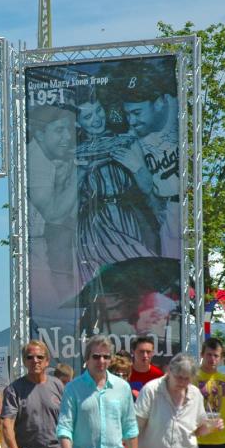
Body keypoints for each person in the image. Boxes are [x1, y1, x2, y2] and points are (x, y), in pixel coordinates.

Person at [73, 89, 161, 285]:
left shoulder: (127, 141)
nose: (97, 119)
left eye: (99, 110)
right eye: (88, 116)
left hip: (127, 217)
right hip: (94, 222)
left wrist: (136, 167)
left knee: (137, 273)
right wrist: (81, 172)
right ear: (78, 123)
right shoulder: (74, 153)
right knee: (115, 277)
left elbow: (148, 187)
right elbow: (66, 205)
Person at [114, 60, 181, 259]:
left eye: (137, 112)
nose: (132, 121)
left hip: (200, 205)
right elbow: (147, 189)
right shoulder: (134, 136)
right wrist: (136, 167)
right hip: (170, 211)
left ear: (160, 102)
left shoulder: (182, 113)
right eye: (127, 114)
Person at [27, 104, 79, 296]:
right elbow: (53, 215)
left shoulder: (56, 155)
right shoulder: (34, 160)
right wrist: (77, 174)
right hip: (38, 248)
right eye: (59, 130)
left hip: (57, 244)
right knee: (54, 301)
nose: (67, 137)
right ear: (40, 134)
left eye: (68, 129)